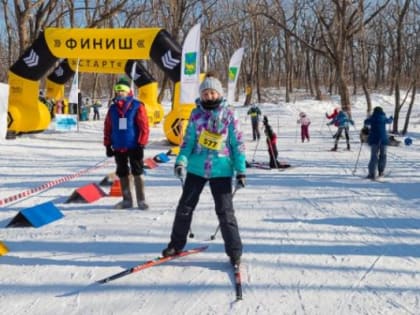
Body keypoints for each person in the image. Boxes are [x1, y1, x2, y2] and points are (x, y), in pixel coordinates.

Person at [162, 72, 246, 267]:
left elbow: (237, 144)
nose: (209, 97)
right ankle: (176, 245)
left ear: (219, 93)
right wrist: (181, 161)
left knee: (225, 212)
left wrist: (240, 170)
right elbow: (188, 141)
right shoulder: (195, 114)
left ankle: (235, 251)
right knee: (184, 208)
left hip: (221, 169)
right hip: (197, 168)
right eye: (206, 93)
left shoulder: (229, 114)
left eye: (212, 93)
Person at [103, 77, 150, 210]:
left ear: (128, 91)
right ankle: (127, 200)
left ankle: (141, 200)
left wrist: (141, 143)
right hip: (118, 146)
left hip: (134, 145)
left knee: (137, 171)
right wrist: (107, 144)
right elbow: (108, 127)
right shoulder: (112, 109)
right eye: (117, 91)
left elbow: (144, 126)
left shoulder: (137, 105)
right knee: (122, 172)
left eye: (122, 91)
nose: (119, 93)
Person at [364, 106, 393, 179]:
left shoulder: (372, 118)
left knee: (374, 156)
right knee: (383, 155)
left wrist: (368, 118)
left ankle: (372, 174)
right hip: (383, 140)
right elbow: (389, 121)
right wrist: (391, 118)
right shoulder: (383, 117)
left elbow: (366, 122)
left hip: (374, 140)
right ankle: (381, 172)